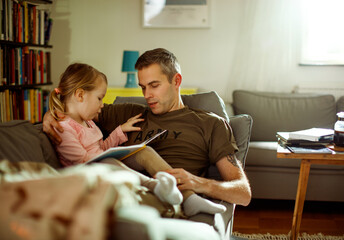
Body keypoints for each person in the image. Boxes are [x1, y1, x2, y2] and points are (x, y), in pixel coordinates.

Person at [43, 48, 251, 210]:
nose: (147, 95)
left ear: (176, 80)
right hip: (121, 191)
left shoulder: (209, 123)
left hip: (170, 197)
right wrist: (50, 115)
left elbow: (243, 193)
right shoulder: (131, 113)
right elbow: (79, 109)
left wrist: (199, 184)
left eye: (154, 85)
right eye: (143, 87)